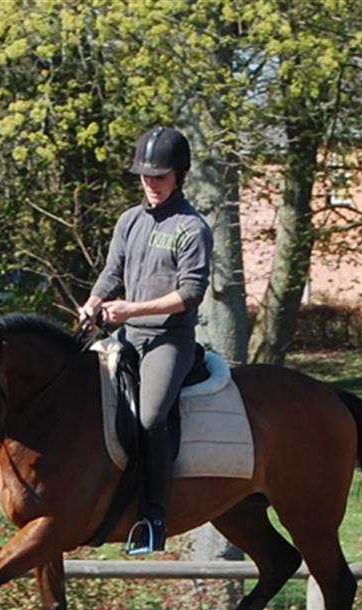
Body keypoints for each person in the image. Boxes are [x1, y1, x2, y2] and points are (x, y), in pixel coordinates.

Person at [80, 126, 213, 554]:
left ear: (180, 176)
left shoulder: (191, 228)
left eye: (160, 176)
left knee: (151, 418)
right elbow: (112, 272)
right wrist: (93, 301)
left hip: (169, 341)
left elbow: (190, 294)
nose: (151, 184)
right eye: (145, 176)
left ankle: (154, 518)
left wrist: (130, 309)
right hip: (126, 335)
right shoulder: (129, 221)